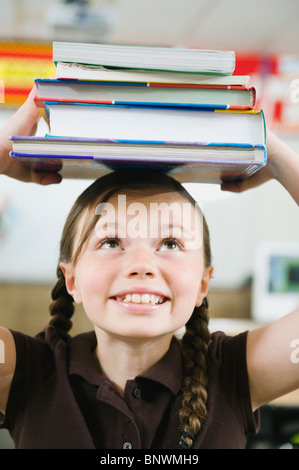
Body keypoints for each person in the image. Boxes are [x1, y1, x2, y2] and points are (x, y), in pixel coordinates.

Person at [0, 88, 298, 449]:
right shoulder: (26, 371)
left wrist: (280, 158)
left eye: (170, 244)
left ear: (204, 282)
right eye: (111, 243)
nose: (141, 266)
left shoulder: (236, 372)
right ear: (72, 279)